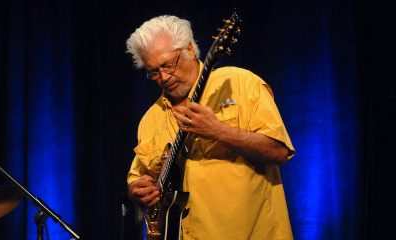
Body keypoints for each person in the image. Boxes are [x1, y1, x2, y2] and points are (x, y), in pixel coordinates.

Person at [125, 15, 295, 240]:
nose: (164, 77)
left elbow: (279, 151)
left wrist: (218, 131)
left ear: (189, 50)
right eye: (154, 72)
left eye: (168, 65)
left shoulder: (240, 83)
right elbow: (138, 177)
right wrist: (137, 190)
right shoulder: (151, 118)